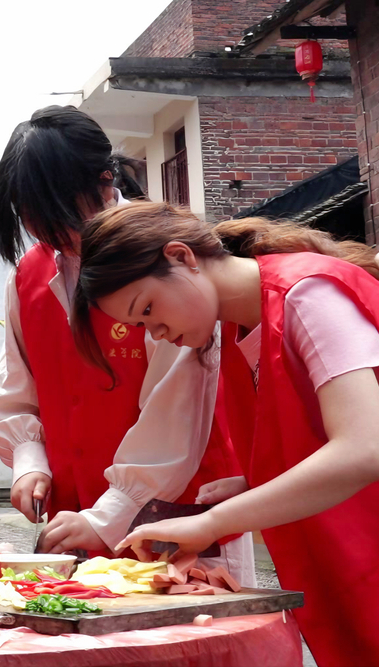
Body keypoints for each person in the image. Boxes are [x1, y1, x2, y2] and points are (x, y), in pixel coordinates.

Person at [72, 201, 379, 667]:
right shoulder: (238, 327)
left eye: (149, 309)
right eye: (141, 325)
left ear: (182, 256)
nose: (155, 332)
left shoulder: (307, 294)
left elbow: (364, 446)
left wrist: (213, 522)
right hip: (343, 551)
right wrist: (256, 482)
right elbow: (318, 434)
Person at [0, 106, 252, 581]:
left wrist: (107, 515)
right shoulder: (27, 276)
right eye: (34, 220)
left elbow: (177, 410)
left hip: (176, 517)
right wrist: (29, 461)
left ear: (106, 183)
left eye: (60, 216)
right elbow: (16, 388)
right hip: (77, 520)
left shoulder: (157, 258)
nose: (52, 236)